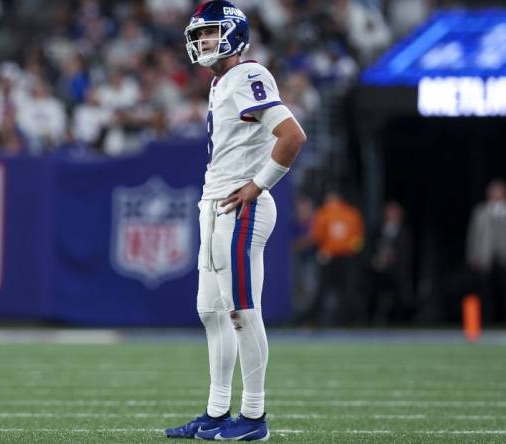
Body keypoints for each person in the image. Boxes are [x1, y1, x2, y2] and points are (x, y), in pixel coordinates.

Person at [165, 2, 306, 441]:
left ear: (235, 35)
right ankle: (216, 411)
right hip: (216, 206)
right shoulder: (222, 82)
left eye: (211, 33)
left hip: (240, 207)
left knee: (242, 311)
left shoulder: (248, 74)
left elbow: (292, 135)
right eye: (200, 35)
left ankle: (254, 417)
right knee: (211, 311)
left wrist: (258, 184)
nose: (203, 42)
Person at [307, 190, 365, 325]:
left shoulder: (323, 212)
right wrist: (351, 251)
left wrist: (324, 249)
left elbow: (317, 236)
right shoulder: (352, 213)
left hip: (329, 257)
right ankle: (346, 321)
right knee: (346, 290)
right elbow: (358, 240)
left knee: (324, 290)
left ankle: (317, 321)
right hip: (347, 257)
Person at [466, 179, 506, 324]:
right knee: (486, 292)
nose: (496, 194)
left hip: (504, 257)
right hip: (485, 257)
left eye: (499, 191)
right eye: (494, 191)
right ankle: (487, 321)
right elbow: (473, 235)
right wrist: (472, 255)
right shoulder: (481, 212)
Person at [369, 201, 413, 324]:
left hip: (398, 270)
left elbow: (405, 252)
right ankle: (379, 317)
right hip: (382, 270)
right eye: (390, 212)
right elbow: (373, 248)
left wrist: (394, 258)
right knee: (381, 295)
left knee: (399, 295)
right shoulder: (379, 230)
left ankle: (399, 320)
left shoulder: (404, 232)